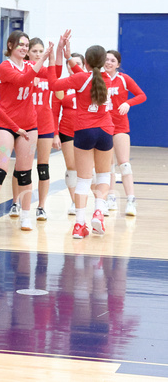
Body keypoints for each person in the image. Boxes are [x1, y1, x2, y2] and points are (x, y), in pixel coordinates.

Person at [0, 30, 56, 232]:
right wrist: (43, 59)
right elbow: (23, 80)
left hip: (29, 126)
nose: (24, 48)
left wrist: (58, 53)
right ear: (11, 45)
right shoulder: (5, 67)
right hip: (6, 124)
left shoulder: (32, 65)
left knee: (24, 173)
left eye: (26, 45)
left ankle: (25, 215)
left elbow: (53, 76)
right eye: (21, 45)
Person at [48, 41, 114, 239]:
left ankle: (79, 225)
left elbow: (54, 85)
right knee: (103, 177)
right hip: (105, 130)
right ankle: (98, 212)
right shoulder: (107, 79)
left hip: (84, 131)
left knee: (83, 180)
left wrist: (56, 60)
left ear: (85, 61)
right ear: (103, 63)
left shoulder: (78, 79)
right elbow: (88, 75)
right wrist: (69, 58)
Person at [8, 37, 61, 221]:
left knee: (43, 166)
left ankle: (41, 206)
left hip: (45, 123)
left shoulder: (45, 71)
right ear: (28, 52)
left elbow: (57, 74)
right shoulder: (26, 71)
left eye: (41, 51)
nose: (38, 54)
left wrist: (56, 52)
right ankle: (16, 202)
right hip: (26, 125)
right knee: (22, 167)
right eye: (35, 51)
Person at [104, 50, 147, 216]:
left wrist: (128, 103)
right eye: (106, 59)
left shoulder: (124, 78)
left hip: (120, 126)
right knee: (108, 165)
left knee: (124, 164)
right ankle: (111, 197)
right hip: (103, 126)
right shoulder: (98, 78)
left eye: (112, 60)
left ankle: (131, 200)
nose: (109, 62)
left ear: (118, 64)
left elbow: (141, 95)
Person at [52, 50, 86, 216]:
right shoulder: (62, 85)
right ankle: (74, 201)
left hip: (87, 130)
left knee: (87, 169)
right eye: (71, 64)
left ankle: (101, 200)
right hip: (67, 131)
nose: (74, 66)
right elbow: (54, 111)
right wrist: (55, 134)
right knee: (72, 167)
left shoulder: (88, 82)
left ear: (84, 65)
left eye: (78, 63)